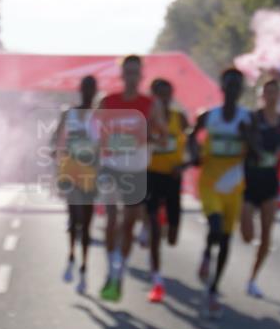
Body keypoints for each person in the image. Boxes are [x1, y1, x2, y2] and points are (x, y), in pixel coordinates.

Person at [96, 54, 168, 302]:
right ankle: (110, 269)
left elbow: (163, 137)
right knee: (112, 219)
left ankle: (118, 272)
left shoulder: (151, 104)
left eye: (136, 72)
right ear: (122, 74)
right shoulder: (108, 101)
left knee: (129, 223)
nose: (131, 76)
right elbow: (96, 135)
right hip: (111, 166)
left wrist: (149, 136)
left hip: (136, 170)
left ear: (141, 75)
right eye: (128, 71)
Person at [188, 67, 252, 317]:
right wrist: (194, 154)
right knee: (214, 227)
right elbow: (192, 135)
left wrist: (249, 138)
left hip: (235, 186)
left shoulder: (247, 119)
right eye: (229, 85)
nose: (233, 90)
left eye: (237, 86)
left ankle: (213, 288)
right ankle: (206, 254)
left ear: (241, 91)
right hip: (211, 183)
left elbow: (257, 150)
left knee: (225, 240)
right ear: (222, 88)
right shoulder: (209, 116)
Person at [241, 77, 280, 299]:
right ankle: (246, 231)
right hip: (249, 179)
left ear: (279, 95)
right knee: (247, 235)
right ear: (261, 95)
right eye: (267, 91)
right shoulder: (252, 118)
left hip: (270, 181)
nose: (271, 96)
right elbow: (242, 144)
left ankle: (252, 279)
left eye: (275, 92)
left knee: (266, 235)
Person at [51, 75, 99, 293]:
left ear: (96, 91)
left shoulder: (100, 116)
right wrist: (57, 154)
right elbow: (55, 140)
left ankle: (84, 268)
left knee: (87, 224)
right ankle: (71, 255)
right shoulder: (68, 114)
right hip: (70, 170)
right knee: (73, 219)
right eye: (85, 87)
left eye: (92, 88)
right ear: (80, 90)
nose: (89, 92)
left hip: (90, 172)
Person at [145, 78, 190, 303]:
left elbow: (190, 145)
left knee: (172, 237)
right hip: (151, 175)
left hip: (172, 177)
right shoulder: (147, 120)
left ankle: (164, 227)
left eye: (167, 94)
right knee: (153, 227)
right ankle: (156, 277)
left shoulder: (179, 118)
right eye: (159, 94)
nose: (163, 99)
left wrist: (183, 165)